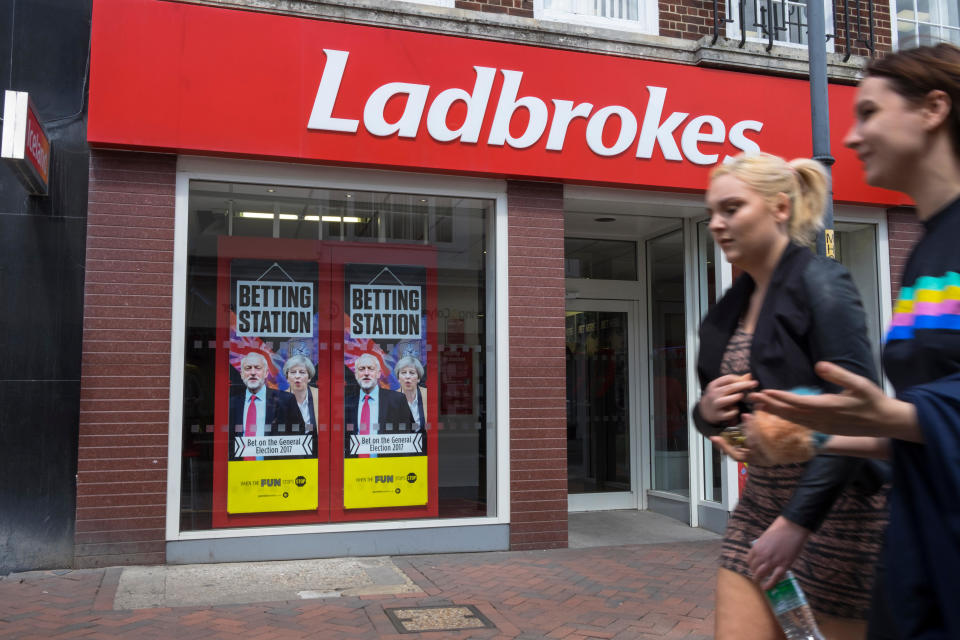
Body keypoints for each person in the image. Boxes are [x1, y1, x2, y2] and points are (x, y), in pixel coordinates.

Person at [749, 43, 960, 640]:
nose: (849, 138)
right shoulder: (926, 253)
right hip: (919, 561)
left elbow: (926, 413)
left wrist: (890, 415)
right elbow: (927, 430)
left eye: (868, 112)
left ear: (933, 108)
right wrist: (816, 435)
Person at [696, 152, 889, 639]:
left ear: (779, 208)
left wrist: (796, 522)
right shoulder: (728, 309)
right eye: (711, 213)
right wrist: (707, 412)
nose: (717, 224)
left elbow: (858, 416)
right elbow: (720, 415)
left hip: (840, 514)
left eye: (732, 208)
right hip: (759, 504)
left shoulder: (823, 283)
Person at [228, 351, 304, 460]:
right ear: (241, 374)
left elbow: (298, 435)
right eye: (248, 368)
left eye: (257, 368)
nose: (253, 372)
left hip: (274, 469)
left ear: (266, 373)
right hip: (240, 471)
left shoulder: (286, 400)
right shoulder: (232, 403)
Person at [343, 353, 416, 455]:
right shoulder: (346, 403)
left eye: (371, 368)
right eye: (362, 369)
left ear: (378, 374)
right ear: (356, 375)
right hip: (354, 466)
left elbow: (410, 435)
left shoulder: (397, 399)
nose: (366, 373)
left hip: (387, 466)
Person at [283, 354, 318, 430]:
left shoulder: (320, 396)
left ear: (309, 377)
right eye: (293, 372)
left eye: (302, 372)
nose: (297, 376)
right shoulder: (280, 398)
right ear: (287, 378)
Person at [394, 355, 427, 430]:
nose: (407, 376)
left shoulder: (428, 395)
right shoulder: (392, 398)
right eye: (403, 372)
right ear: (398, 378)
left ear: (418, 378)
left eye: (412, 373)